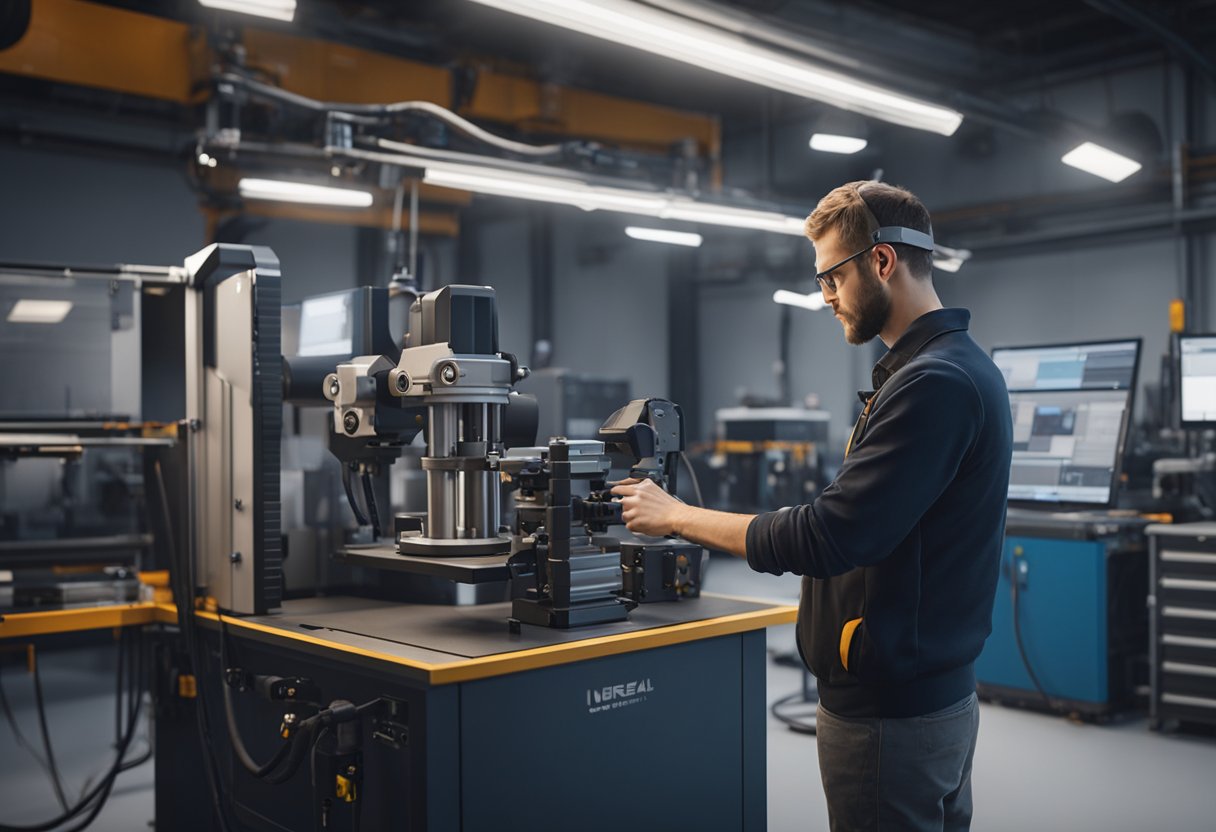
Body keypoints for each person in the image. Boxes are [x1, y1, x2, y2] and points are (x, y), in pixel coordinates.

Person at [612, 181, 1013, 832]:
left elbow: (828, 536)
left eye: (831, 277)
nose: (824, 298)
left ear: (881, 262)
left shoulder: (934, 383)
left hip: (891, 716)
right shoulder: (950, 370)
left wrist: (675, 514)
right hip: (920, 698)